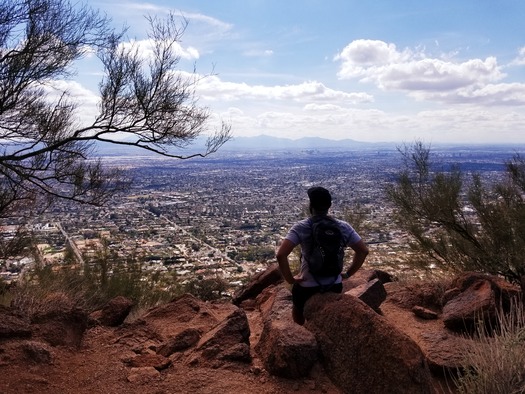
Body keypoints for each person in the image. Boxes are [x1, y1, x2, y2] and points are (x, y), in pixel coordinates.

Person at [276, 186, 369, 325]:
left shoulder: (302, 227)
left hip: (307, 285)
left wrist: (290, 279)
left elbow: (281, 254)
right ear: (329, 206)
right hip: (334, 284)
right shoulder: (343, 226)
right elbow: (363, 251)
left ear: (311, 206)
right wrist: (348, 274)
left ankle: (301, 331)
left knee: (297, 310)